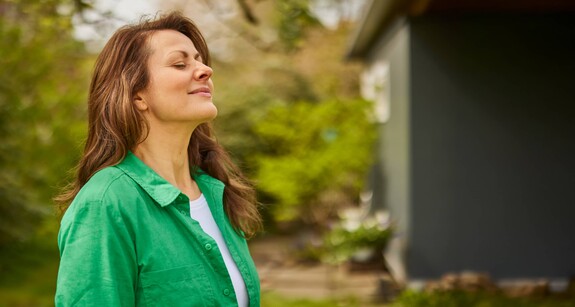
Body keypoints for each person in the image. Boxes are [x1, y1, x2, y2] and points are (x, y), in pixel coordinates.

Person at [54, 11, 262, 306]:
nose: (205, 70)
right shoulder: (107, 204)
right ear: (137, 95)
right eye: (180, 63)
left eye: (200, 60)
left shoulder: (216, 194)